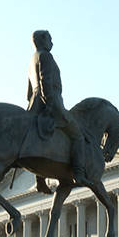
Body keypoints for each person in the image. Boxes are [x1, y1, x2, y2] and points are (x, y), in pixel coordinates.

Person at [26, 30, 88, 193]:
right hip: (51, 101)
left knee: (37, 139)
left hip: (34, 103)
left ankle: (39, 179)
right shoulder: (46, 56)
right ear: (42, 40)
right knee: (77, 135)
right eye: (50, 39)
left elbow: (29, 91)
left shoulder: (32, 59)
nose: (52, 43)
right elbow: (46, 81)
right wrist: (51, 105)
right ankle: (79, 174)